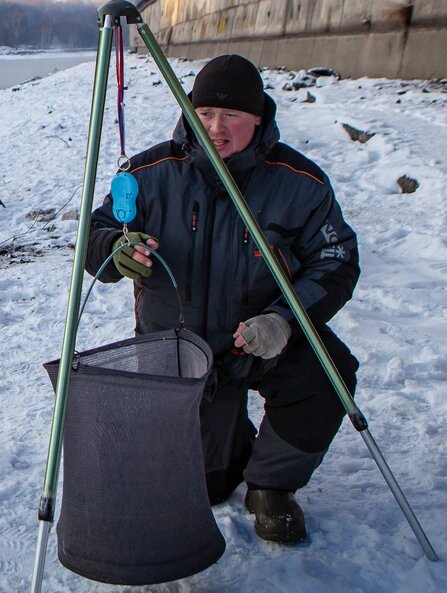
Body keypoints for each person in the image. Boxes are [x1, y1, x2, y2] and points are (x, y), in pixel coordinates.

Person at [86, 53, 360, 544]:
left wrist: (283, 321)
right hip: (177, 347)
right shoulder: (150, 171)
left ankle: (272, 487)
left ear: (259, 117)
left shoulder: (301, 182)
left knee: (329, 372)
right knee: (209, 484)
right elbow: (100, 233)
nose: (216, 127)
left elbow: (336, 260)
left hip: (258, 340)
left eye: (232, 116)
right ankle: (229, 448)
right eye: (206, 113)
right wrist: (114, 249)